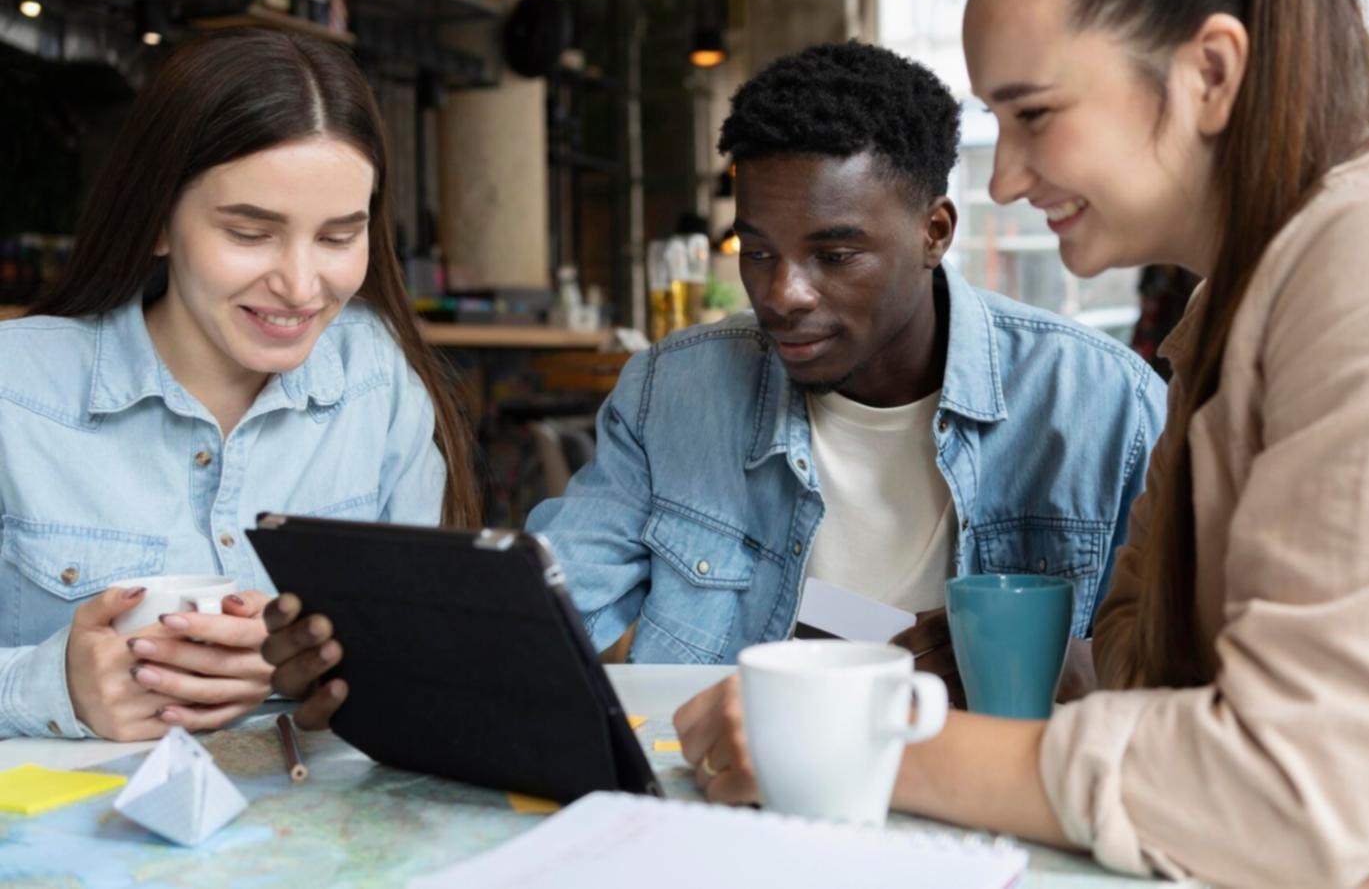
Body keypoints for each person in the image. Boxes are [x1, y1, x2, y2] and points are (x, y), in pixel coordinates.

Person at [670, 0, 1369, 886]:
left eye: (1034, 114)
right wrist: (993, 676)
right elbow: (1149, 657)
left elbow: (1297, 786)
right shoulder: (1230, 310)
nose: (1005, 178)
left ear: (1208, 72)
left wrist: (864, 736)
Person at [264, 40, 1166, 727]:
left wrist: (1071, 670)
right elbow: (551, 606)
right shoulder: (673, 393)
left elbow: (1188, 676)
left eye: (834, 253)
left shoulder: (1100, 407)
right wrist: (376, 650)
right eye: (758, 252)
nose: (783, 294)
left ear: (934, 231)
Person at [0, 27, 478, 743]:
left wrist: (319, 671)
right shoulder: (16, 391)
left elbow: (436, 649)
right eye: (250, 232)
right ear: (158, 221)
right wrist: (52, 685)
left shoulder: (374, 382)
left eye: (339, 236)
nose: (299, 284)